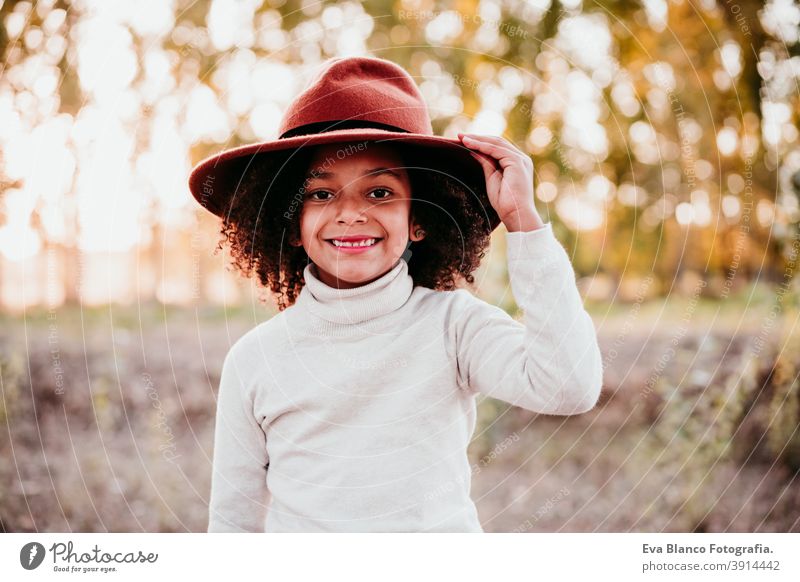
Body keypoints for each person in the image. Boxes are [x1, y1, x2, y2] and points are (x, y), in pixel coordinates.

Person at [188, 56, 603, 532]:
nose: (350, 213)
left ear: (420, 218)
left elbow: (569, 386)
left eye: (380, 193)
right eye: (321, 194)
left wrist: (523, 223)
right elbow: (232, 525)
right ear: (292, 224)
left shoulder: (454, 327)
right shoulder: (255, 360)